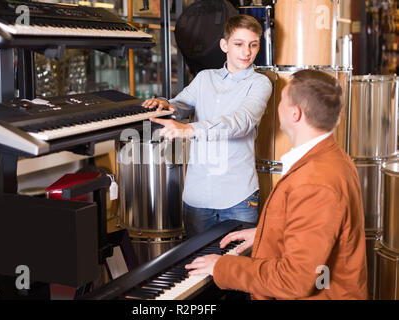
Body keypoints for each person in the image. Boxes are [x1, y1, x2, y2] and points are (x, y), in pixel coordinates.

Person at [185, 69, 369, 300]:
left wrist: (221, 266)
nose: (277, 106)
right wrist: (266, 234)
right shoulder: (330, 158)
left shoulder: (315, 182)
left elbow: (294, 280)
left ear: (295, 114)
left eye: (281, 99)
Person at [142, 15, 273, 237]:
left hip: (239, 196)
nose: (247, 52)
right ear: (224, 45)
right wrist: (165, 104)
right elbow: (181, 104)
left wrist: (190, 129)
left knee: (237, 268)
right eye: (238, 44)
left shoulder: (260, 83)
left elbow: (242, 122)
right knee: (196, 264)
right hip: (197, 197)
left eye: (253, 45)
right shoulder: (204, 78)